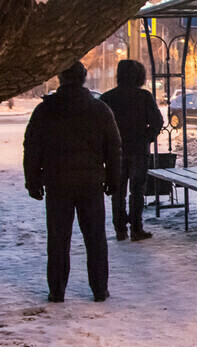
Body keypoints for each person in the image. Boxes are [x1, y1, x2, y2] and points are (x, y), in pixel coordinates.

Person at [23, 61, 122, 303]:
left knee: (58, 239)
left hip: (57, 182)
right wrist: (113, 179)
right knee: (95, 238)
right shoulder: (99, 110)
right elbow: (113, 148)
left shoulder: (45, 110)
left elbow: (32, 147)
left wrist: (32, 180)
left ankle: (57, 291)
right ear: (83, 78)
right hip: (90, 182)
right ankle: (100, 289)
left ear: (60, 78)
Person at [100, 60, 164, 241]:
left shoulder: (107, 98)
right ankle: (137, 228)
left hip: (115, 152)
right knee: (137, 190)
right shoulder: (144, 96)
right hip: (138, 150)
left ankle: (120, 229)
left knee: (117, 190)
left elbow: (99, 127)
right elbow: (157, 122)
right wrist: (147, 137)